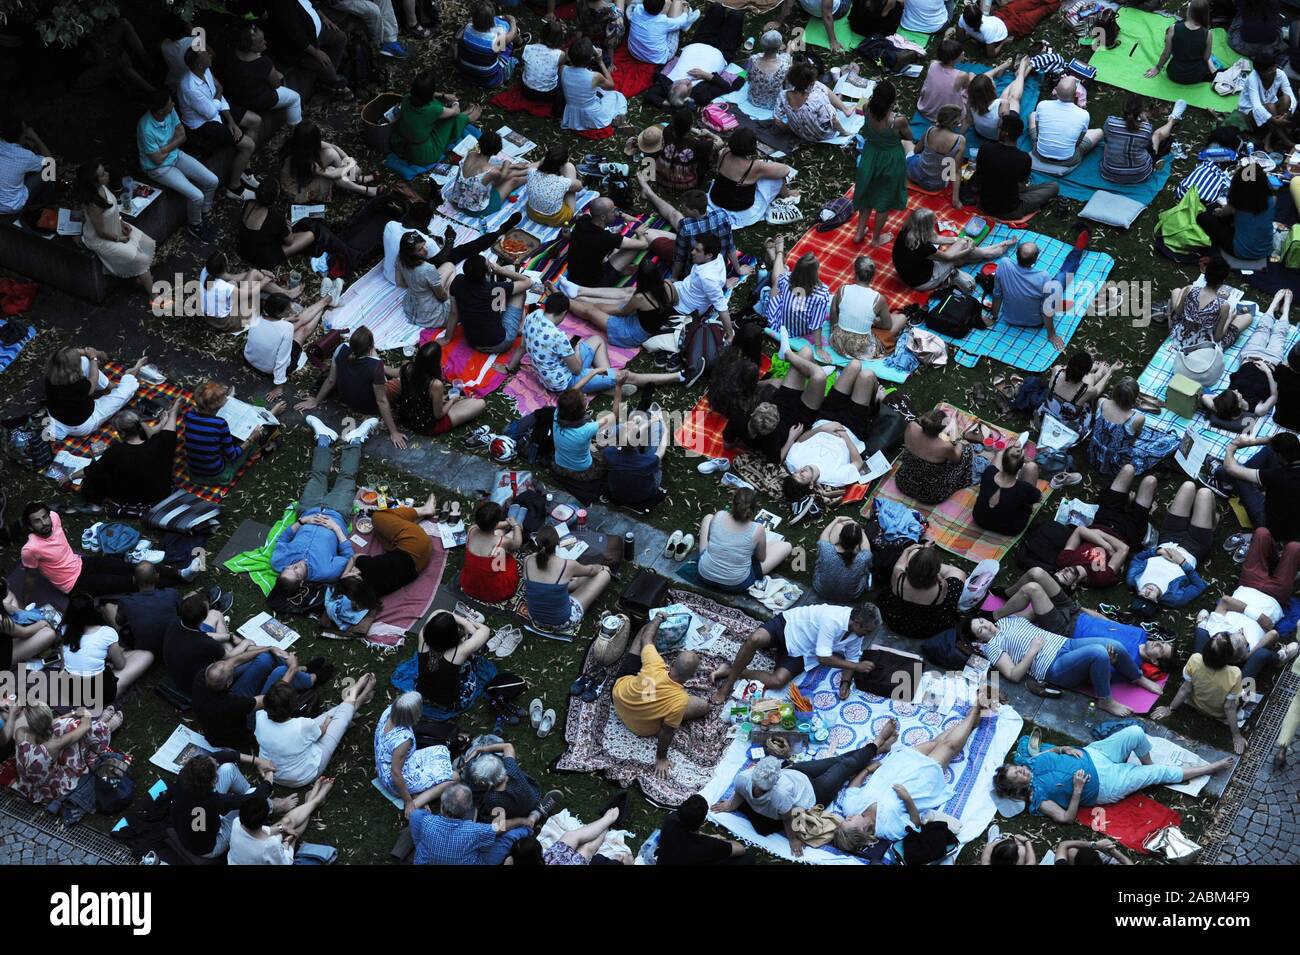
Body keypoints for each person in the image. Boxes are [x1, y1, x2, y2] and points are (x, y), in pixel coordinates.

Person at [709, 718, 897, 856]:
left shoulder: (755, 777)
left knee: (837, 760)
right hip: (815, 793)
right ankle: (878, 741)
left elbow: (741, 794)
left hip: (797, 773)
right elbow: (787, 819)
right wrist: (793, 839)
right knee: (845, 767)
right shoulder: (770, 790)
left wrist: (731, 805)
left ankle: (877, 748)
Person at [994, 726, 1232, 822]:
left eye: (1017, 768)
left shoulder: (1031, 761)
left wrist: (1063, 748)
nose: (1022, 769)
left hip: (1096, 754)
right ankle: (1209, 768)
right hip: (1105, 784)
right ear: (1018, 788)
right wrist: (1077, 790)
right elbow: (1066, 819)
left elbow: (1050, 750)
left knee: (1136, 732)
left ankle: (1146, 766)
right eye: (1018, 774)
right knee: (1159, 773)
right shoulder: (1040, 798)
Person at [270, 417, 375, 597]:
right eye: (295, 571)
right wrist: (335, 528)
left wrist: (303, 522)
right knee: (347, 478)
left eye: (288, 568)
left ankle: (324, 438)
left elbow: (283, 539)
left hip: (309, 510)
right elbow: (347, 555)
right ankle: (355, 440)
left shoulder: (278, 561)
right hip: (337, 514)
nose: (293, 566)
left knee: (317, 476)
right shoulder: (325, 572)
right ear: (302, 582)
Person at [20, 502, 203, 604]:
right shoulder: (31, 549)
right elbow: (30, 576)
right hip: (74, 583)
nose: (44, 522)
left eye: (44, 517)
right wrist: (24, 601)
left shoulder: (54, 517)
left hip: (82, 563)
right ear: (30, 526)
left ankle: (180, 573)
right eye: (37, 521)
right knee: (128, 582)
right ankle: (173, 583)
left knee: (131, 567)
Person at [710, 602, 881, 705]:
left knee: (777, 682)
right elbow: (824, 658)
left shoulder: (857, 633)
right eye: (867, 631)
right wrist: (856, 667)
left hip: (804, 651)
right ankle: (728, 684)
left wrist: (845, 682)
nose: (867, 635)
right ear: (857, 622)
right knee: (755, 639)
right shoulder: (833, 620)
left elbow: (851, 656)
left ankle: (729, 670)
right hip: (788, 626)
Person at [611, 617, 711, 778]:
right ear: (692, 677)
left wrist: (658, 619)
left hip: (618, 696)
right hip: (641, 727)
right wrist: (661, 758)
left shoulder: (654, 663)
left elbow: (647, 638)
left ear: (670, 664)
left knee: (644, 631)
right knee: (703, 706)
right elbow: (666, 732)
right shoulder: (680, 700)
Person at [256, 672, 376, 787]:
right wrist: (327, 723)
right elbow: (320, 733)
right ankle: (357, 696)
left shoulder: (260, 716)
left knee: (335, 714)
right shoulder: (301, 725)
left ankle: (352, 701)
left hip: (273, 773)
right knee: (340, 719)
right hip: (303, 774)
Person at [191, 646, 323, 749]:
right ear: (229, 683)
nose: (231, 663)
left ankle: (303, 670)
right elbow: (269, 699)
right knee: (281, 672)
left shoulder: (203, 677)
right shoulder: (229, 704)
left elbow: (234, 661)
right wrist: (292, 668)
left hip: (231, 706)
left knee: (264, 659)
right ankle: (311, 680)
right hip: (243, 726)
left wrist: (268, 648)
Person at [177, 45, 261, 203]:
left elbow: (218, 97)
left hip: (215, 109)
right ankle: (234, 187)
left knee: (255, 121)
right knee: (248, 145)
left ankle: (244, 169)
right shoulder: (189, 87)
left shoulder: (205, 70)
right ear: (200, 64)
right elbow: (210, 111)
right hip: (202, 124)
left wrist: (231, 121)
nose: (210, 54)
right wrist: (219, 91)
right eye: (206, 54)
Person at [296, 327, 405, 449]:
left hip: (345, 397)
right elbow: (381, 400)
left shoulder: (341, 348)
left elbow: (331, 380)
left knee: (378, 367)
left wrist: (316, 401)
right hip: (368, 406)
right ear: (370, 347)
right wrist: (393, 432)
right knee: (401, 381)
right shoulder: (376, 366)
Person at [136, 91, 220, 243]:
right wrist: (172, 144)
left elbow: (182, 135)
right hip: (158, 169)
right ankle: (195, 225)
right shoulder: (145, 128)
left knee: (212, 180)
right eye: (170, 104)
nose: (173, 104)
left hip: (175, 155)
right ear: (161, 110)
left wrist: (166, 148)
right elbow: (157, 159)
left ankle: (205, 213)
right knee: (197, 196)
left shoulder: (170, 112)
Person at [723, 342, 827, 463]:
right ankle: (789, 355)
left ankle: (809, 369)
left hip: (784, 399)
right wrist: (791, 440)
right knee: (819, 376)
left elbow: (727, 446)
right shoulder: (771, 439)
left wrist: (741, 437)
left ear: (752, 414)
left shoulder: (738, 419)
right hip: (801, 415)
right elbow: (776, 461)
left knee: (806, 352)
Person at [1203, 291, 1293, 431]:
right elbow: (1275, 395)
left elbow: (1205, 397)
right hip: (1271, 362)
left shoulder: (1225, 401)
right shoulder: (1257, 408)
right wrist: (1267, 371)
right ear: (1238, 405)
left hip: (1250, 354)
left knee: (1262, 329)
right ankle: (1286, 310)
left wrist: (1217, 408)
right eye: (1237, 394)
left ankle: (1273, 306)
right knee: (1279, 334)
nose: (1237, 390)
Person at [1056, 464, 1156, 587]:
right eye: (1065, 577)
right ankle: (1129, 505)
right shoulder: (1099, 578)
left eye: (1060, 572)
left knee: (1128, 469)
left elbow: (1079, 530)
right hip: (1128, 532)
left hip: (1104, 520)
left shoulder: (1065, 561)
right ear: (1073, 585)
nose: (1064, 570)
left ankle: (1127, 502)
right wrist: (1095, 534)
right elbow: (1124, 549)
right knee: (1150, 481)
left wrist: (1106, 545)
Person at [1152, 631, 1248, 754]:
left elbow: (1185, 689)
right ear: (1230, 656)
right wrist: (1236, 735)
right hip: (1219, 713)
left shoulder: (1195, 659)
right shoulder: (1235, 673)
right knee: (1252, 675)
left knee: (1201, 632)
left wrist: (1170, 708)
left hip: (1195, 703)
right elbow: (1229, 707)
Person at [1127, 482, 1216, 612]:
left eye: (1142, 595)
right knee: (1205, 493)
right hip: (1195, 546)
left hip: (1170, 536)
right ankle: (1210, 522)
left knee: (1188, 486)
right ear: (1156, 602)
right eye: (1149, 598)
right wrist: (1182, 562)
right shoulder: (1175, 599)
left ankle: (1205, 518)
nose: (1147, 592)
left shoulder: (1134, 579)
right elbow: (1199, 587)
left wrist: (1157, 551)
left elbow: (1137, 559)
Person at [10, 703, 120, 806]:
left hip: (29, 787)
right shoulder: (53, 745)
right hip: (51, 790)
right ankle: (106, 727)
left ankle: (101, 724)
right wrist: (85, 713)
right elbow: (85, 726)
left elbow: (48, 724)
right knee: (76, 729)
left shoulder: (20, 732)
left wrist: (73, 713)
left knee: (63, 725)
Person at [57, 593, 151, 712]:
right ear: (92, 611)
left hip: (69, 691)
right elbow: (120, 665)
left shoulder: (65, 629)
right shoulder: (106, 633)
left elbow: (64, 665)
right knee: (147, 656)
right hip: (98, 694)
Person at [72, 160, 155, 292]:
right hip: (103, 238)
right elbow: (101, 232)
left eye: (104, 171)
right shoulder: (93, 204)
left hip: (115, 226)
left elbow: (113, 211)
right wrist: (119, 239)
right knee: (140, 260)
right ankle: (153, 296)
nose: (107, 174)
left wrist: (121, 222)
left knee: (146, 244)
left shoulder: (102, 187)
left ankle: (139, 276)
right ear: (94, 181)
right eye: (102, 174)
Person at [635, 179, 742, 280]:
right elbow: (730, 247)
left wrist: (674, 278)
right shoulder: (722, 215)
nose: (683, 210)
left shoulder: (686, 227)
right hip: (713, 259)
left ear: (695, 211)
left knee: (647, 233)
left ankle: (648, 193)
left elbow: (679, 259)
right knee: (675, 214)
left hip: (696, 268)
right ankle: (649, 193)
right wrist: (738, 269)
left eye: (685, 209)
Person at [79, 403, 180, 507]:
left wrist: (70, 477)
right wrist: (174, 411)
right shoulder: (161, 442)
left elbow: (91, 471)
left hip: (132, 498)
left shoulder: (116, 452)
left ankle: (94, 504)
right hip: (161, 492)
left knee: (94, 478)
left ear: (122, 433)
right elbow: (170, 427)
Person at [697, 487, 794, 595]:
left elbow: (710, 541)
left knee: (708, 517)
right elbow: (761, 558)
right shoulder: (757, 529)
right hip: (735, 584)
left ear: (733, 504)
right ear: (753, 509)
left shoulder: (719, 515)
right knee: (787, 546)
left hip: (704, 574)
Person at [375, 691, 455, 817]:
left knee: (441, 750)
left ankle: (416, 792)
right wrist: (408, 802)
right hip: (393, 779)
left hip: (386, 764)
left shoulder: (389, 711)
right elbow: (395, 773)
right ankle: (416, 803)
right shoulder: (403, 740)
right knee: (452, 779)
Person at [893, 208, 1012, 292]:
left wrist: (957, 239)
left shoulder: (907, 232)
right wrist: (968, 247)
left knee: (962, 245)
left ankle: (990, 252)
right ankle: (991, 252)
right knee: (962, 252)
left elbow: (935, 238)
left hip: (913, 274)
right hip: (925, 281)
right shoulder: (923, 246)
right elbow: (949, 257)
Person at [183, 381, 279, 484]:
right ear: (215, 405)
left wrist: (228, 397)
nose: (226, 398)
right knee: (260, 433)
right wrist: (251, 438)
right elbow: (233, 455)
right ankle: (270, 416)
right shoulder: (220, 424)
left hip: (193, 470)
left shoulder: (189, 415)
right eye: (225, 397)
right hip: (218, 474)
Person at [853, 80, 912, 247]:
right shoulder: (898, 121)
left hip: (870, 156)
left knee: (867, 194)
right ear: (892, 102)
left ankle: (859, 232)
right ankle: (876, 238)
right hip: (890, 160)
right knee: (884, 199)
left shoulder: (866, 109)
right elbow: (909, 137)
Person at [410, 783, 531, 864]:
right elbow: (501, 828)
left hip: (426, 861)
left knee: (415, 815)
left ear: (442, 805)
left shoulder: (426, 822)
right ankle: (529, 828)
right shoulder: (474, 831)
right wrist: (522, 821)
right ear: (467, 812)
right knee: (506, 839)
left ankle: (422, 849)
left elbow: (416, 815)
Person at [389, 70, 479, 176]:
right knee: (455, 118)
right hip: (423, 153)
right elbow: (455, 111)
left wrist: (444, 95)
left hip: (403, 143)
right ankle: (467, 118)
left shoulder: (407, 98)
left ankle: (464, 116)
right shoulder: (432, 110)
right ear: (429, 93)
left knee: (442, 116)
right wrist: (455, 102)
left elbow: (424, 93)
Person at [229, 777, 336, 865]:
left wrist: (281, 828)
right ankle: (316, 799)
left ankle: (313, 801)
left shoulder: (237, 823)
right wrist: (286, 842)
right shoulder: (270, 845)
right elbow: (286, 862)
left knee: (286, 822)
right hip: (270, 858)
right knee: (292, 834)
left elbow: (265, 831)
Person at [443, 254, 532, 358]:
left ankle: (503, 317)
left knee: (507, 277)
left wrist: (447, 338)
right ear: (487, 272)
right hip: (500, 342)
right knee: (520, 292)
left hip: (473, 342)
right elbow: (528, 282)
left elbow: (454, 313)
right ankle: (519, 327)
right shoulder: (495, 289)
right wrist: (500, 270)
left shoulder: (457, 281)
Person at [43, 346, 142, 440]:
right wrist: (93, 358)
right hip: (81, 425)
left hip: (54, 417)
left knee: (85, 361)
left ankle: (110, 386)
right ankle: (129, 376)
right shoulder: (79, 385)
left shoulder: (50, 375)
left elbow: (66, 356)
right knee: (126, 392)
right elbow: (93, 380)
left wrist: (92, 353)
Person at [895, 405, 989, 504]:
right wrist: (960, 443)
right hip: (929, 495)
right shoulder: (944, 446)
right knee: (966, 453)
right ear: (941, 430)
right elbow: (957, 460)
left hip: (904, 482)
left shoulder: (911, 426)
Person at [975, 112, 1059, 221]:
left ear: (1005, 133)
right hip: (1009, 210)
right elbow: (1021, 183)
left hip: (984, 203)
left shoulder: (985, 148)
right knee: (1054, 186)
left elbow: (980, 172)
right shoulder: (1023, 158)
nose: (997, 130)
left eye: (999, 128)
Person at [393, 340, 487, 437]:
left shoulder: (407, 367)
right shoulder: (435, 384)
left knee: (465, 401)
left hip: (406, 415)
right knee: (480, 403)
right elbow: (438, 415)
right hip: (426, 424)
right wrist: (452, 401)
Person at [221, 23, 303, 133]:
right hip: (258, 100)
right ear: (250, 47)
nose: (265, 42)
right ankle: (296, 131)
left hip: (237, 96)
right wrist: (275, 72)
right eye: (260, 42)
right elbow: (276, 85)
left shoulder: (232, 53)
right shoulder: (263, 62)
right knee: (295, 98)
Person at [245, 292, 328, 402]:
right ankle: (324, 304)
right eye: (287, 310)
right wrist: (279, 386)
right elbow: (282, 360)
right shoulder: (287, 328)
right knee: (303, 330)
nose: (289, 312)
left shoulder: (255, 315)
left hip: (249, 359)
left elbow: (269, 327)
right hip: (269, 369)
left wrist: (286, 320)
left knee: (298, 320)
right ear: (279, 313)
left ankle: (324, 302)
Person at [1088, 377, 1179, 476]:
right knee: (1168, 442)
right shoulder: (1137, 418)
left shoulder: (1101, 401)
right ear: (1135, 398)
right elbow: (1133, 440)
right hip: (1115, 462)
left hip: (1094, 452)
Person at [1219, 430, 1300, 540]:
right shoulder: (1289, 464)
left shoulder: (1277, 476)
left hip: (1270, 525)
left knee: (1238, 475)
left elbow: (1231, 468)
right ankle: (1225, 478)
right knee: (1269, 451)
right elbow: (1273, 442)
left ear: (1280, 456)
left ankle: (1224, 481)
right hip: (1290, 515)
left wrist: (1232, 447)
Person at [709, 129, 796, 230]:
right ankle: (787, 194)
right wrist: (765, 165)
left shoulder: (725, 152)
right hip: (739, 208)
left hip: (716, 198)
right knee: (776, 179)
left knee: (757, 176)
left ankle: (786, 193)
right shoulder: (755, 166)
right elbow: (785, 170)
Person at [264, 0, 352, 99]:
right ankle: (337, 83)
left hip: (318, 31)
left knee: (340, 38)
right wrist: (316, 52)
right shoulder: (281, 4)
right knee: (326, 65)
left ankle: (327, 80)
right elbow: (294, 35)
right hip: (300, 46)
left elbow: (311, 3)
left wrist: (324, 18)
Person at [879, 541, 967, 639]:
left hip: (896, 621)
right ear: (936, 570)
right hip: (925, 629)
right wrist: (931, 566)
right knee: (959, 574)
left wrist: (907, 551)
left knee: (914, 552)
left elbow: (899, 565)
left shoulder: (898, 576)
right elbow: (941, 583)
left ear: (910, 566)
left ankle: (921, 561)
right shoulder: (941, 586)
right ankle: (926, 563)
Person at [465, 739, 561, 828]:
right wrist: (481, 749)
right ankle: (536, 813)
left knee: (493, 822)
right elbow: (508, 746)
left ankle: (527, 820)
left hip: (516, 813)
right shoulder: (511, 767)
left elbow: (499, 821)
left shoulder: (491, 798)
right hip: (532, 798)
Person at [565, 198, 657, 288]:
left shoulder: (582, 221)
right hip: (592, 284)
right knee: (633, 246)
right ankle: (616, 273)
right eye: (613, 211)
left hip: (574, 274)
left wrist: (623, 215)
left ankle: (615, 267)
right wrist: (639, 234)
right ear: (603, 217)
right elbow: (643, 244)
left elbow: (592, 211)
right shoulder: (606, 237)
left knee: (602, 250)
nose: (616, 213)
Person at [827, 257, 906, 360]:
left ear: (855, 273)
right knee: (901, 318)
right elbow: (887, 325)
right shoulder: (879, 299)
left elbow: (834, 312)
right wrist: (875, 322)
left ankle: (837, 331)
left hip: (837, 342)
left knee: (836, 299)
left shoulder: (843, 289)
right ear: (873, 276)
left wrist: (834, 329)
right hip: (862, 350)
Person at [762, 244, 833, 359]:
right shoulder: (821, 293)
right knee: (779, 279)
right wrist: (819, 348)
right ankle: (777, 256)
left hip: (780, 325)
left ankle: (778, 256)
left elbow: (779, 281)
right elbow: (816, 324)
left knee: (776, 282)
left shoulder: (785, 279)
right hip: (801, 331)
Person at [1198, 161, 1277, 262]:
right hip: (1265, 249)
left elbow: (1219, 213)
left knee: (1204, 217)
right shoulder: (1271, 199)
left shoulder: (1238, 203)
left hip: (1242, 252)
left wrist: (1219, 210)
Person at [990, 242, 1063, 350]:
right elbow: (1047, 309)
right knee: (1060, 281)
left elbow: (997, 294)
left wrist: (993, 318)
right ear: (1035, 260)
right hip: (1035, 322)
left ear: (1016, 254)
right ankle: (1077, 252)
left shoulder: (1004, 263)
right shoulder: (1043, 276)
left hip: (1009, 318)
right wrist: (1052, 335)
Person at [280, 122, 378, 202]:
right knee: (333, 172)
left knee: (331, 153)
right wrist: (351, 165)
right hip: (296, 190)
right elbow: (332, 175)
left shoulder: (300, 142)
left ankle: (355, 178)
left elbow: (335, 147)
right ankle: (363, 190)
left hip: (302, 174)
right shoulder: (306, 162)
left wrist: (349, 160)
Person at [444, 130, 530, 219]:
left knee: (504, 172)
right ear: (496, 151)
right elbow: (502, 178)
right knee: (513, 180)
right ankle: (534, 174)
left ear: (479, 144)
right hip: (474, 209)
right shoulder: (492, 172)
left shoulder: (471, 154)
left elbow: (485, 169)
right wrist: (507, 164)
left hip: (458, 199)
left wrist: (512, 166)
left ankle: (533, 168)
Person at [416, 609, 492, 710]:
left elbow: (437, 612)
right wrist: (469, 624)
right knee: (474, 649)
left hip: (423, 694)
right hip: (451, 703)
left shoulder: (422, 638)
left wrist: (464, 623)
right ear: (453, 636)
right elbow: (485, 630)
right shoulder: (458, 652)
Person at [1100, 95, 1179, 186]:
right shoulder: (1146, 128)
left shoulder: (1110, 122)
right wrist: (1145, 121)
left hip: (1109, 173)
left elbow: (1106, 141)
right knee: (1156, 136)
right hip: (1139, 175)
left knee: (1108, 143)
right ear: (1141, 111)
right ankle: (1172, 120)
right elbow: (1149, 148)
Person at [1168, 258, 1246, 351]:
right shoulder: (1223, 306)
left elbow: (1178, 312)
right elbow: (1217, 337)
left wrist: (1183, 294)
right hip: (1202, 348)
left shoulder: (1189, 289)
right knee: (1247, 317)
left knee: (1177, 291)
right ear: (1222, 281)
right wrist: (1229, 318)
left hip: (1179, 337)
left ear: (1205, 273)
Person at [1029, 76, 1103, 170]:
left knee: (1033, 115)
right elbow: (1078, 142)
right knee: (1099, 132)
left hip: (1039, 154)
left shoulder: (1042, 105)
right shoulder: (1084, 114)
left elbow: (1039, 133)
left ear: (1055, 90)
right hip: (1067, 160)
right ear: (1076, 94)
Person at [657, 794, 755, 864]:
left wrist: (708, 836)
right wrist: (720, 840)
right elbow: (740, 848)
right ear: (702, 822)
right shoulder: (708, 845)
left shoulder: (670, 822)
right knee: (748, 857)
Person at [604, 403, 669, 508]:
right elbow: (662, 449)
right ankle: (657, 421)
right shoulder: (648, 461)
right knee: (657, 434)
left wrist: (647, 423)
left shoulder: (608, 453)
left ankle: (647, 420)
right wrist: (665, 430)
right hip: (645, 495)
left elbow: (627, 441)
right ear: (639, 441)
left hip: (617, 494)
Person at [774, 62, 857, 143]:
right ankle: (845, 108)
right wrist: (844, 132)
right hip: (824, 135)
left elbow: (777, 121)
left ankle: (840, 102)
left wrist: (792, 129)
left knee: (821, 93)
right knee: (819, 86)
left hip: (802, 134)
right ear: (811, 82)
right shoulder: (816, 99)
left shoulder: (782, 95)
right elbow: (834, 121)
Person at [1038, 351, 1116, 433]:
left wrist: (1082, 361)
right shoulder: (1088, 390)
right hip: (1067, 428)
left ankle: (1096, 368)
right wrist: (1110, 371)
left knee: (1088, 379)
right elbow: (1098, 390)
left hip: (1044, 417)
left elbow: (1067, 368)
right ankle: (1101, 370)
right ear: (1086, 373)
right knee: (1090, 379)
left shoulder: (1056, 370)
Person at [560, 36, 628, 132]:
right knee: (617, 96)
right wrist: (600, 62)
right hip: (592, 115)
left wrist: (567, 56)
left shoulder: (563, 69)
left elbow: (562, 63)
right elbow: (611, 86)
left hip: (572, 112)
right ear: (590, 59)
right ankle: (617, 118)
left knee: (598, 91)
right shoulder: (595, 76)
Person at [973, 443, 1042, 536]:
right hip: (1009, 528)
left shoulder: (989, 471)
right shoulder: (1024, 488)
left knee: (1000, 453)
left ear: (1002, 463)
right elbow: (1039, 499)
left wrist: (1011, 453)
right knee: (1032, 467)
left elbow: (1000, 456)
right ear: (1020, 469)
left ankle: (1010, 458)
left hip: (980, 519)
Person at [461, 500, 523, 603]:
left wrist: (507, 523)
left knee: (499, 532)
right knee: (509, 537)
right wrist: (516, 526)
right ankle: (514, 527)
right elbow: (517, 543)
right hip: (494, 589)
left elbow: (487, 526)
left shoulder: (472, 529)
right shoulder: (502, 542)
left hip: (470, 584)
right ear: (495, 522)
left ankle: (507, 528)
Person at [906, 105, 965, 207]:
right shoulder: (960, 141)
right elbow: (955, 172)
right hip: (935, 185)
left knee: (907, 144)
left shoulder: (930, 130)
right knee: (949, 165)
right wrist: (955, 200)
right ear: (954, 123)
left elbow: (916, 151)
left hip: (914, 175)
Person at [1146, 0, 1216, 85]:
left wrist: (1157, 68)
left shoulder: (1173, 28)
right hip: (1196, 76)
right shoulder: (1208, 34)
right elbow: (1206, 58)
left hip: (1174, 74)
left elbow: (1166, 54)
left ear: (1189, 11)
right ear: (1205, 14)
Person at [394, 231, 453, 331]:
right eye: (419, 250)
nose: (425, 250)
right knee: (454, 283)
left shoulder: (400, 259)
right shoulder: (427, 268)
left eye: (424, 245)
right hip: (431, 316)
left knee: (449, 266)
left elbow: (400, 283)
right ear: (411, 254)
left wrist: (418, 285)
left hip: (411, 307)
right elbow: (442, 297)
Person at [1237, 52, 1294, 152]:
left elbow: (1291, 96)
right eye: (1270, 70)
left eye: (1274, 67)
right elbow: (1257, 106)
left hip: (1271, 110)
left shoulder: (1280, 74)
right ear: (1260, 72)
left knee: (1286, 99)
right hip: (1249, 112)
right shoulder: (1253, 79)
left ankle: (1268, 136)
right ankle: (1285, 140)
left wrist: (1288, 113)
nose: (1274, 71)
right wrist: (1274, 120)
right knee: (1270, 107)